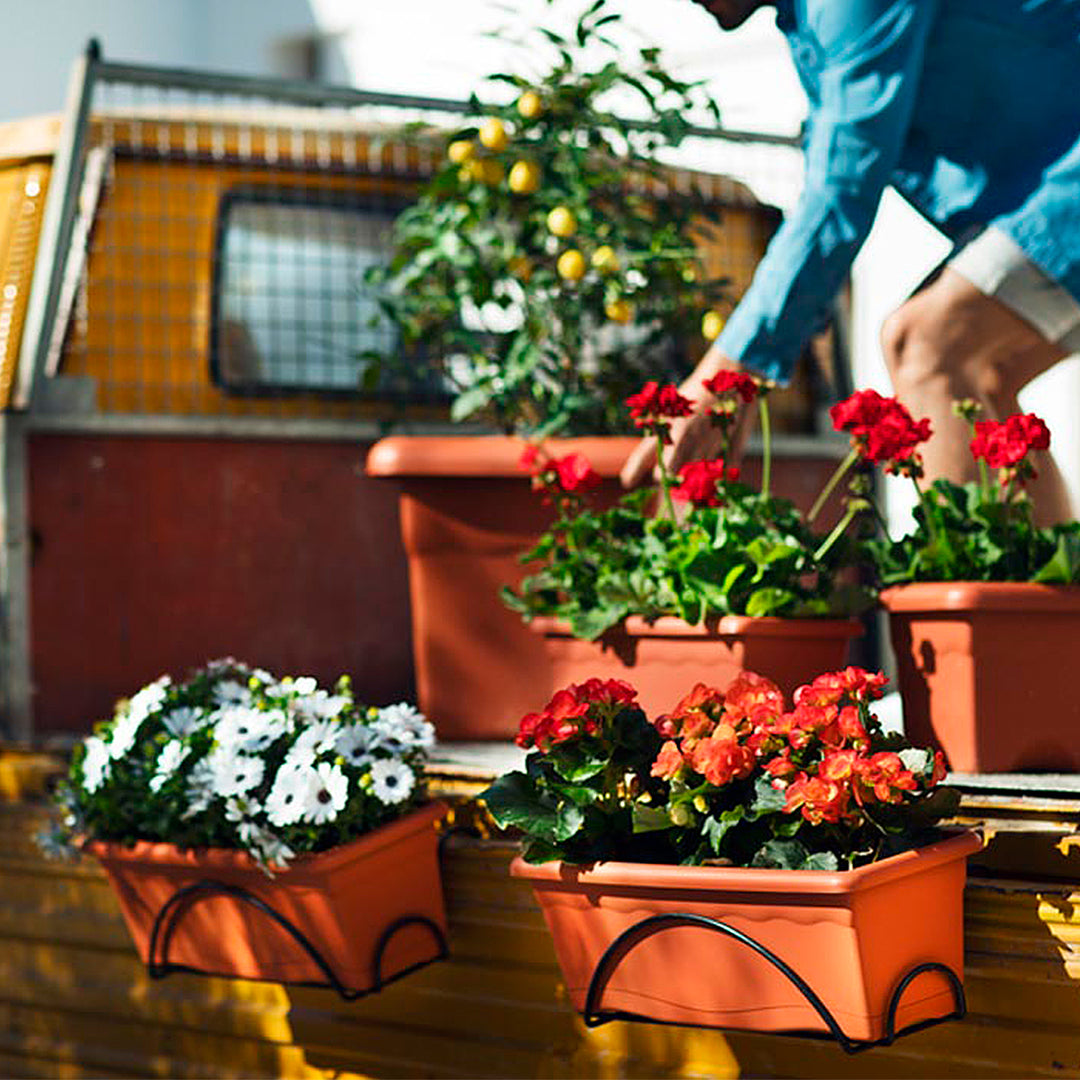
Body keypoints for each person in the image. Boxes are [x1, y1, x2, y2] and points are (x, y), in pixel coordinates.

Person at [622, 0, 1080, 524]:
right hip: (1050, 199)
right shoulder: (810, 22)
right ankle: (1049, 601)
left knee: (926, 345)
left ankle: (969, 601)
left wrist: (730, 373)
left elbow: (843, 187)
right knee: (984, 377)